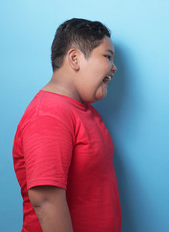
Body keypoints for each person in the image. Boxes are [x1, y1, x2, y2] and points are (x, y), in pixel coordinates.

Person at [13, 18, 121, 232]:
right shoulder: (49, 114)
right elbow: (45, 201)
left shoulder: (84, 110)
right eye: (107, 56)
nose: (114, 67)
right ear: (75, 58)